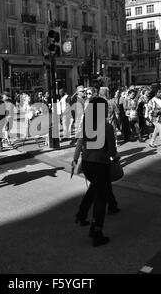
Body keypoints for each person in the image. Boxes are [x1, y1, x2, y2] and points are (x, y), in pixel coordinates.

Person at [72, 96, 118, 247]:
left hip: (87, 164)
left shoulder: (86, 125)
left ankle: (81, 214)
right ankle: (96, 231)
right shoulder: (107, 127)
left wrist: (75, 159)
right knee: (100, 199)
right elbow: (112, 152)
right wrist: (115, 157)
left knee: (94, 188)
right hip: (100, 165)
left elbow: (80, 143)